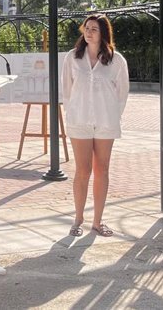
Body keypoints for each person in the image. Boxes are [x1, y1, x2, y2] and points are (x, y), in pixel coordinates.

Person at [61, 14, 129, 238]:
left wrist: (111, 115)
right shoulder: (73, 58)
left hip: (105, 123)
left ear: (103, 34)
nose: (89, 32)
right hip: (79, 121)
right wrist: (72, 113)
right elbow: (67, 91)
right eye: (87, 28)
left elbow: (122, 93)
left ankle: (98, 221)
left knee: (102, 169)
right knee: (83, 170)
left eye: (94, 29)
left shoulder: (116, 60)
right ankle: (78, 218)